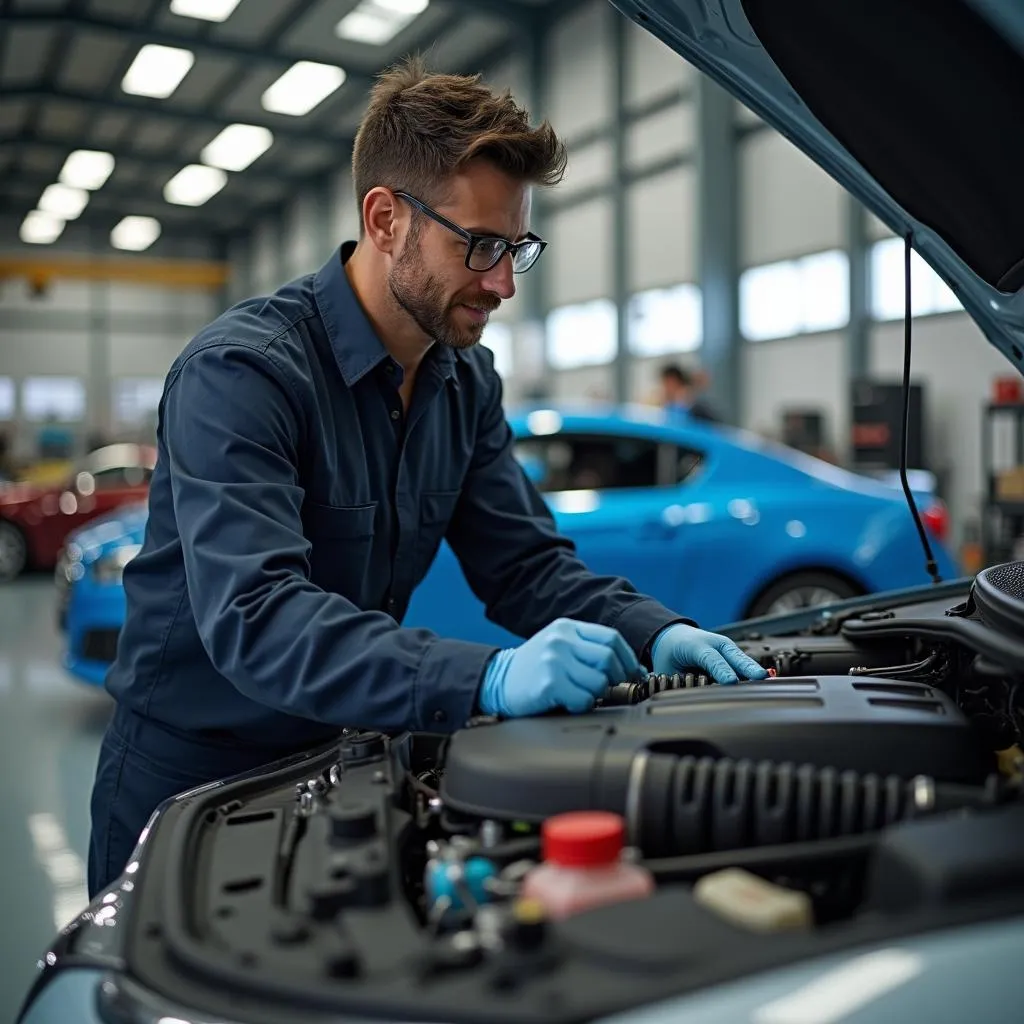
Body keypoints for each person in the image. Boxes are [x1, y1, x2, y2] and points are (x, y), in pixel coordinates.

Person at [87, 59, 766, 897]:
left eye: (516, 246)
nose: (503, 282)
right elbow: (257, 620)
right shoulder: (244, 375)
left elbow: (523, 564)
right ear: (384, 219)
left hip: (344, 761)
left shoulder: (463, 382)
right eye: (478, 245)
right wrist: (484, 677)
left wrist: (657, 630)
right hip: (188, 787)